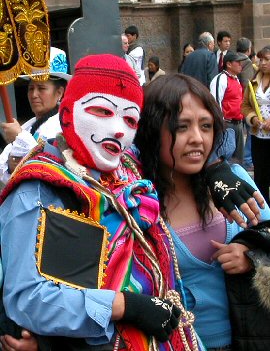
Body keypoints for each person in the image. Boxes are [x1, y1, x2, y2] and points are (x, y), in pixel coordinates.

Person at [0, 55, 266, 351]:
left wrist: (217, 167)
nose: (116, 129)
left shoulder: (126, 172)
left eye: (128, 119)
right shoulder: (42, 186)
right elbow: (29, 298)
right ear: (67, 112)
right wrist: (123, 306)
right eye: (101, 110)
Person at [134, 73, 270, 350]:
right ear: (151, 131)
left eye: (206, 126)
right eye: (181, 127)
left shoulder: (234, 180)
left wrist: (251, 255)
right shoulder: (136, 200)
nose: (197, 138)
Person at [0, 47, 71, 184]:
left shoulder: (65, 125)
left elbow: (55, 167)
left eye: (41, 88)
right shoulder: (28, 126)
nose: (34, 95)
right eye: (31, 88)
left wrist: (19, 138)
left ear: (59, 93)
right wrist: (10, 165)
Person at [242, 45, 270, 206]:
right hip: (258, 135)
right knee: (260, 175)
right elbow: (245, 105)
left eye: (267, 59)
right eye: (261, 59)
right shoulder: (253, 82)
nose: (263, 63)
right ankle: (265, 212)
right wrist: (253, 119)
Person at [210, 51, 246, 163]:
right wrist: (220, 123)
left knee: (238, 159)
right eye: (238, 62)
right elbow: (216, 101)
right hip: (227, 123)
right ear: (229, 64)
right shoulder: (221, 79)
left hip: (238, 123)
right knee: (225, 156)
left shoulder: (236, 79)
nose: (241, 65)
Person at [236, 37, 255, 171]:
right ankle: (247, 159)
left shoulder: (233, 58)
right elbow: (248, 83)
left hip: (235, 101)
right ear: (248, 49)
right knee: (250, 131)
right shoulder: (247, 61)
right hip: (244, 100)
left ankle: (241, 159)